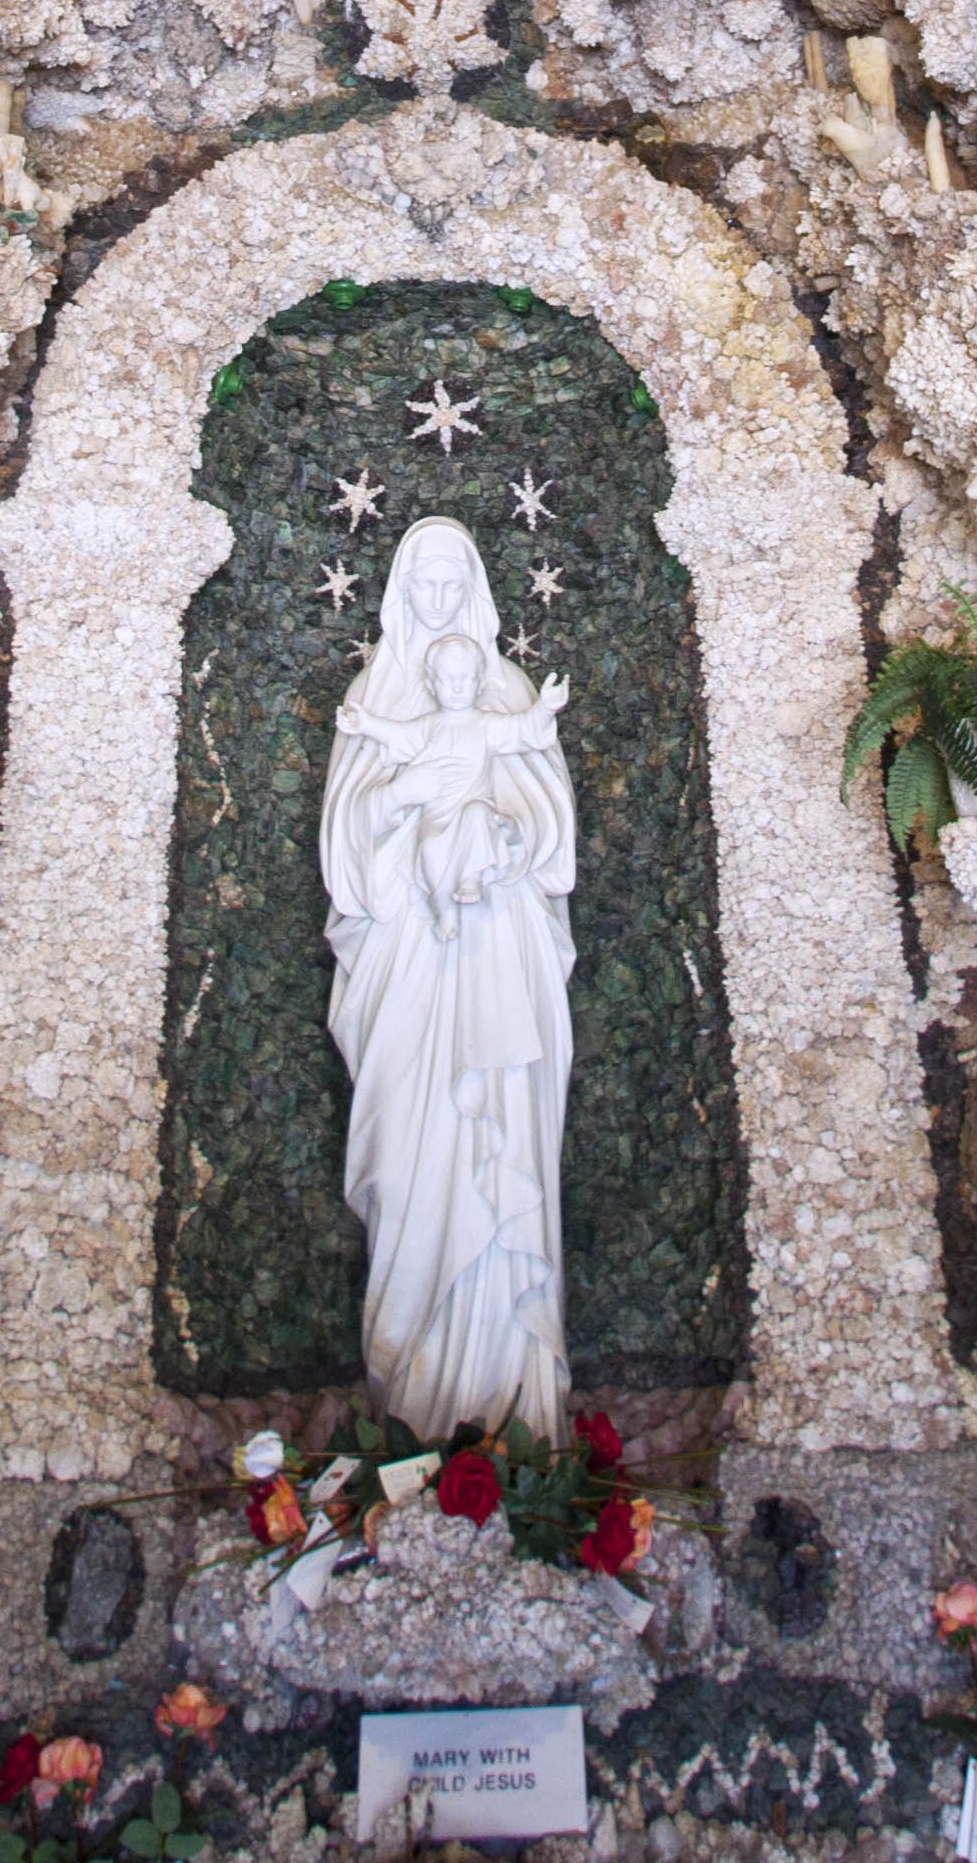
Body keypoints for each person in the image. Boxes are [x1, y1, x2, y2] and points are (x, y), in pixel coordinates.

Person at [318, 521, 575, 1438]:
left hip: (497, 942)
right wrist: (399, 800)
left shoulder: (503, 691)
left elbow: (551, 830)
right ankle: (412, 1391)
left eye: (447, 579)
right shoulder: (373, 694)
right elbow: (347, 854)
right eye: (417, 581)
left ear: (470, 587)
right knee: (409, 1149)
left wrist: (495, 833)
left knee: (496, 1136)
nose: (432, 596)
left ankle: (510, 1390)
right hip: (409, 962)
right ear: (397, 590)